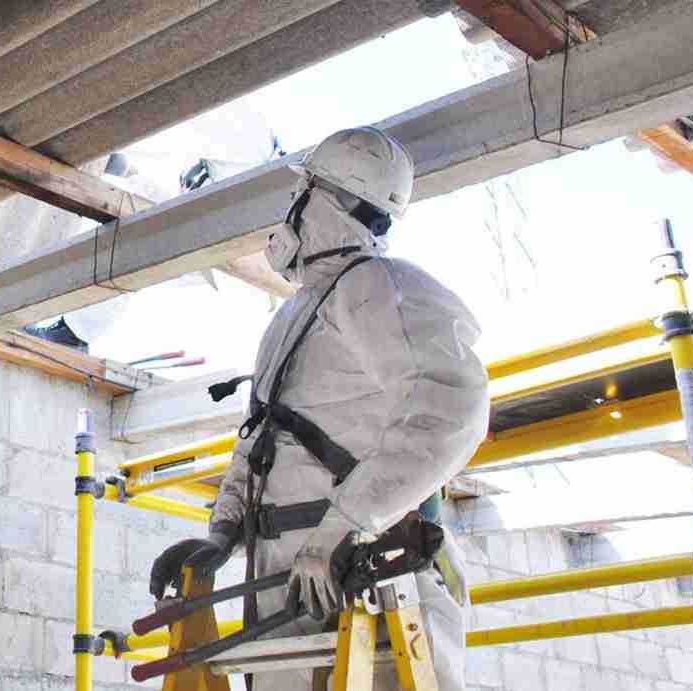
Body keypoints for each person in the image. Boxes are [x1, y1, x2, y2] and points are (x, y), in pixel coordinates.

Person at [148, 127, 490, 690]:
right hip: (290, 578)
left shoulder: (378, 286)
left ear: (324, 201)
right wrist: (222, 535)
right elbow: (260, 441)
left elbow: (453, 407)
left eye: (299, 193)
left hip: (366, 578)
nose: (290, 212)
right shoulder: (295, 316)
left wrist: (346, 528)